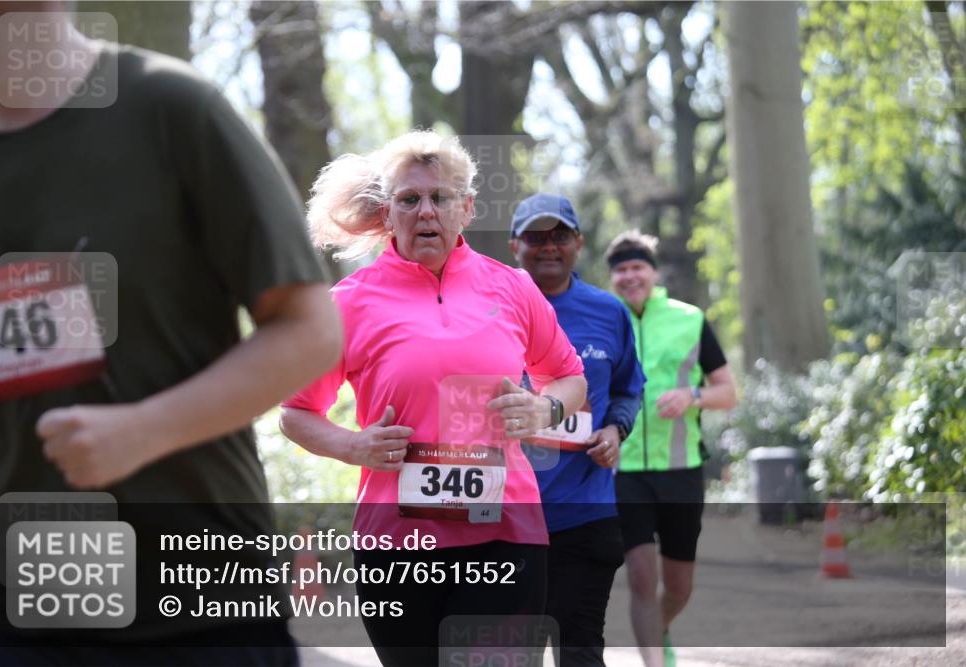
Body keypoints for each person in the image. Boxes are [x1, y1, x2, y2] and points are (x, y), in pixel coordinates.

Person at [0, 5, 341, 665]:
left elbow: (310, 330)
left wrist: (146, 428)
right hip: (7, 619)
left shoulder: (171, 107)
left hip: (196, 615)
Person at [280, 132, 588, 667]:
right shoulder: (348, 304)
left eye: (440, 198)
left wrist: (544, 409)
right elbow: (295, 412)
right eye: (409, 199)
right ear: (388, 212)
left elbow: (568, 376)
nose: (427, 211)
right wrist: (354, 447)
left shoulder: (512, 287)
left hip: (506, 533)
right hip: (398, 545)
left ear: (465, 209)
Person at [508, 193, 645, 666]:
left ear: (578, 244)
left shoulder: (608, 312)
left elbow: (630, 389)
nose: (549, 247)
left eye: (559, 236)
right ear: (514, 246)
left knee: (580, 650)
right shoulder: (489, 311)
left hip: (585, 516)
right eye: (536, 237)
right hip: (505, 521)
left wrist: (615, 431)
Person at [606, 230, 736, 667]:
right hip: (624, 471)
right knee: (642, 578)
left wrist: (692, 397)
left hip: (681, 468)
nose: (629, 276)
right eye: (620, 269)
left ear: (653, 273)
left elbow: (728, 391)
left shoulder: (689, 319)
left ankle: (659, 629)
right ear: (612, 278)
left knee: (678, 587)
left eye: (637, 267)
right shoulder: (605, 320)